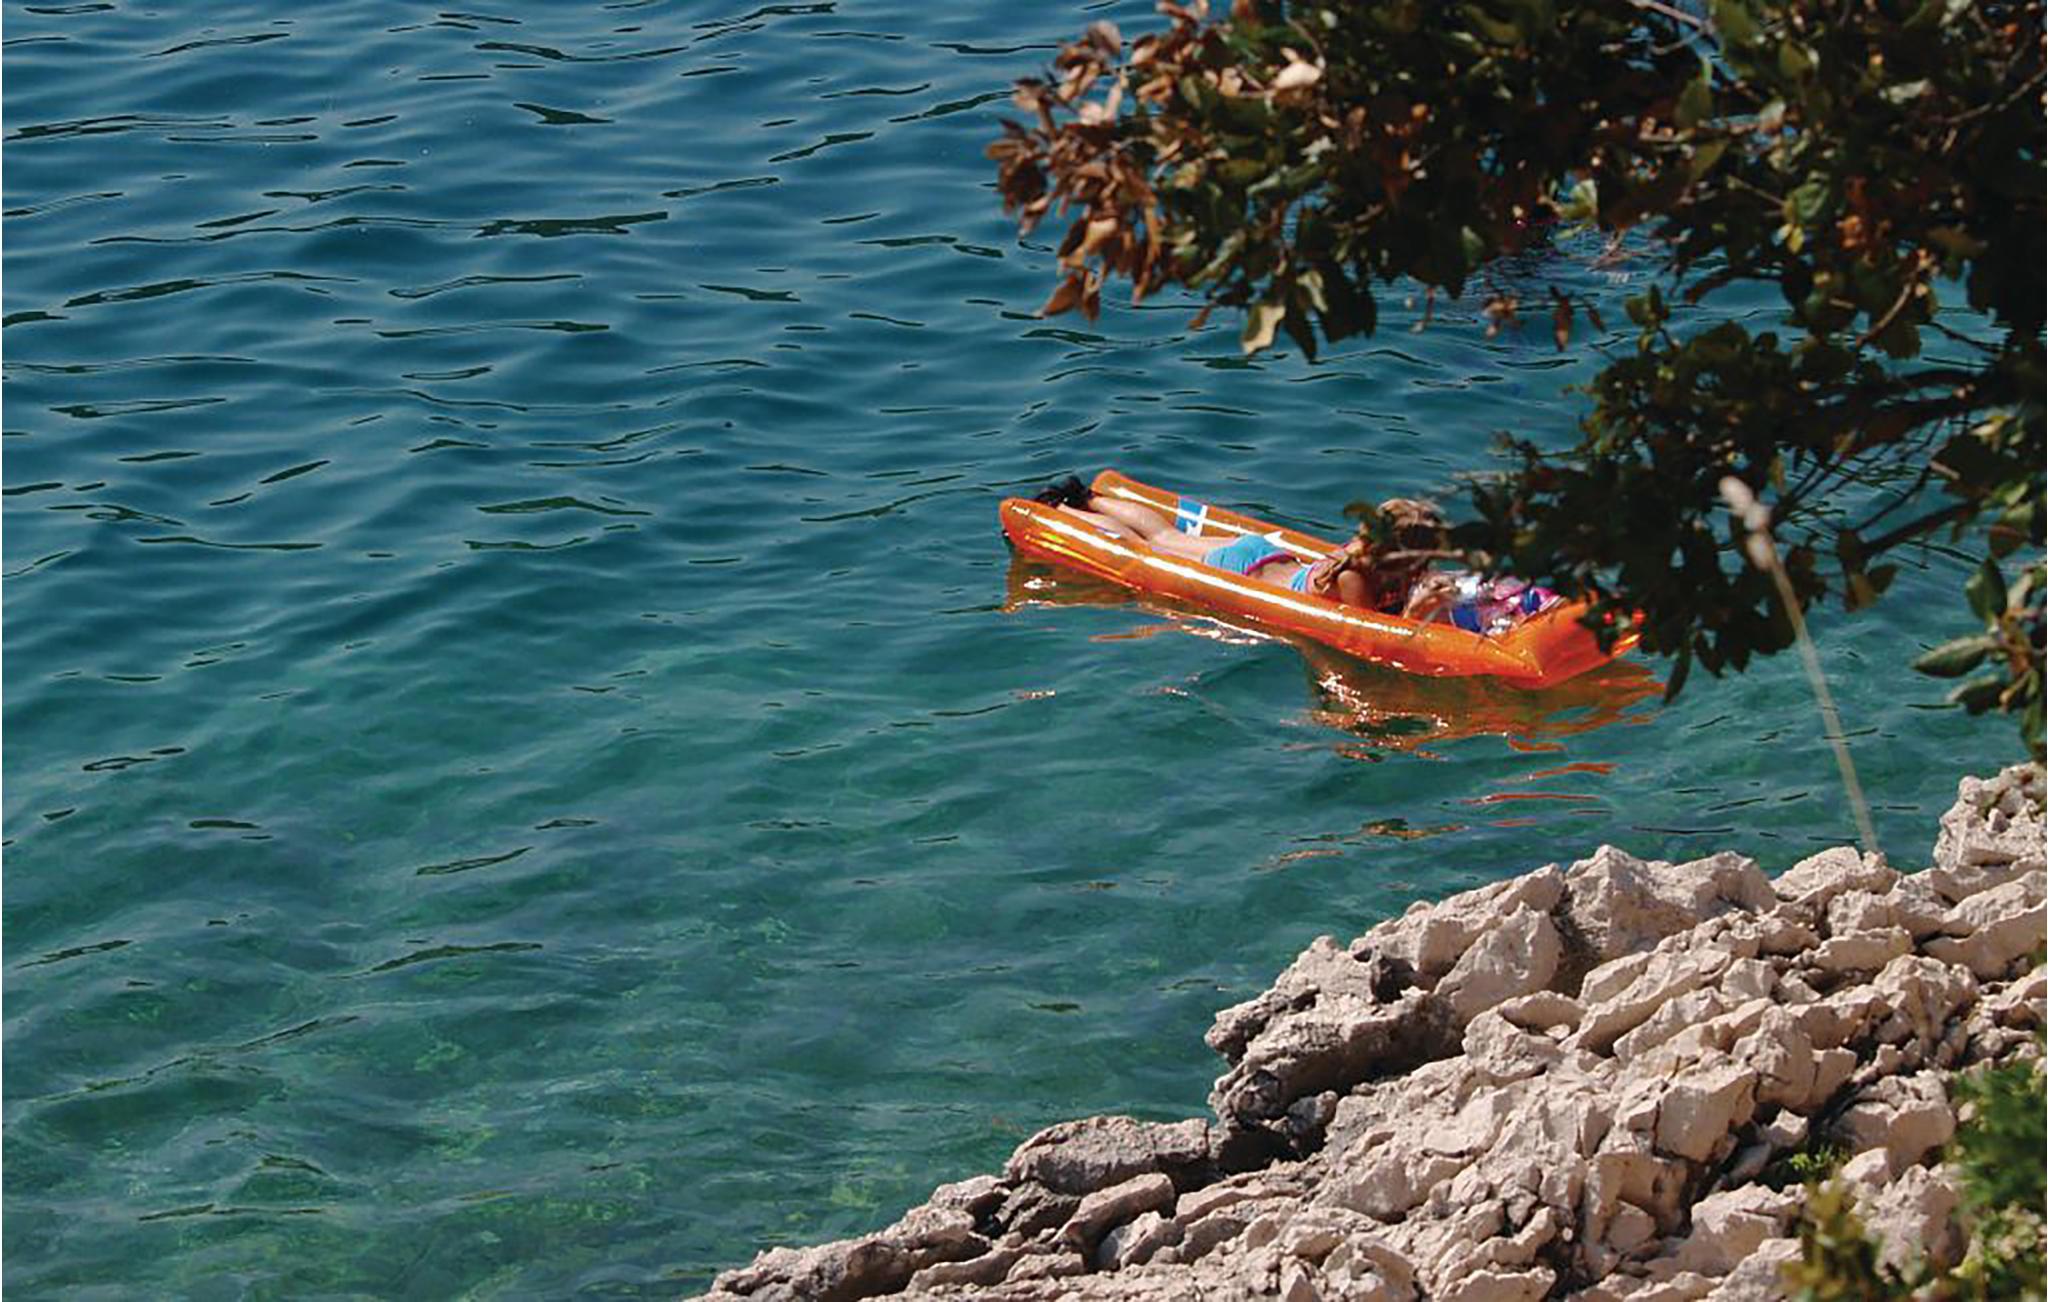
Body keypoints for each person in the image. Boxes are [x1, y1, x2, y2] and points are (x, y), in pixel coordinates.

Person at [1031, 476, 1446, 616]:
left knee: (1165, 537)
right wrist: (1418, 610)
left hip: (1262, 553)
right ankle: (1063, 512)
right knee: (1150, 549)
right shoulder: (1354, 577)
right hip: (1242, 570)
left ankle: (1086, 497)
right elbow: (1369, 633)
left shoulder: (1356, 553)